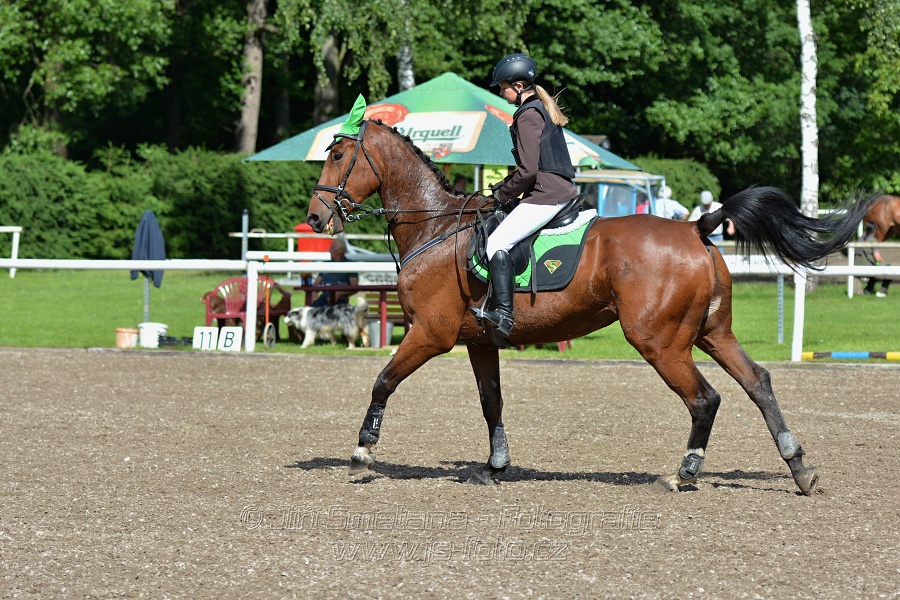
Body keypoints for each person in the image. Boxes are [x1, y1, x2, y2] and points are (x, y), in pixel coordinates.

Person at [471, 53, 579, 340]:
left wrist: (503, 195)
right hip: (552, 190)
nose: (499, 90)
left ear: (519, 86)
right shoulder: (538, 108)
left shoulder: (528, 115)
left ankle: (504, 313)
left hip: (547, 195)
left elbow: (529, 170)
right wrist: (504, 187)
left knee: (497, 241)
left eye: (502, 86)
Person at [311, 237, 359, 307]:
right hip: (324, 298)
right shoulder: (326, 264)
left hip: (340, 300)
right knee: (312, 311)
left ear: (340, 251)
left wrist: (339, 293)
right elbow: (315, 285)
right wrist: (314, 292)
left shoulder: (349, 265)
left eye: (332, 248)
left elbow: (354, 287)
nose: (329, 250)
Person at [859, 222, 891, 297]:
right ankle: (881, 292)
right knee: (890, 270)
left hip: (856, 265)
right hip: (867, 266)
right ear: (875, 230)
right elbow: (878, 258)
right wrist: (885, 263)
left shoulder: (860, 238)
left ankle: (867, 290)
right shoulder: (873, 240)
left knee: (875, 273)